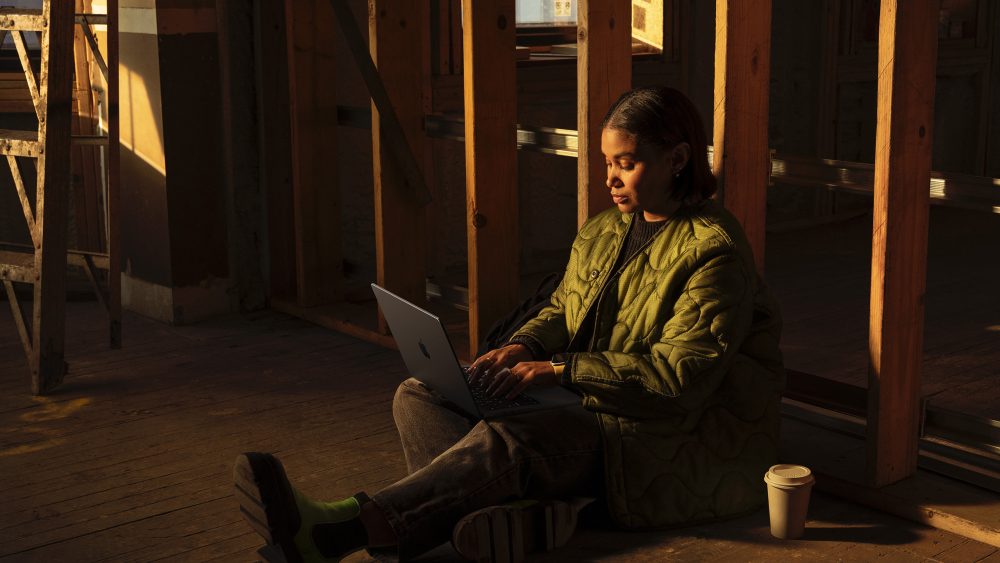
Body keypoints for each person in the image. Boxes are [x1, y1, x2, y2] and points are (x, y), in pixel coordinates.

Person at [233, 86, 784, 562]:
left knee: (512, 440)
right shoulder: (604, 230)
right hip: (589, 401)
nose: (609, 178)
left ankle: (339, 532)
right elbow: (564, 310)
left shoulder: (714, 252)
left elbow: (677, 383)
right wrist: (523, 347)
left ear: (679, 159)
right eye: (607, 161)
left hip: (658, 434)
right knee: (419, 395)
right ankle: (517, 514)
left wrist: (559, 371)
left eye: (627, 163)